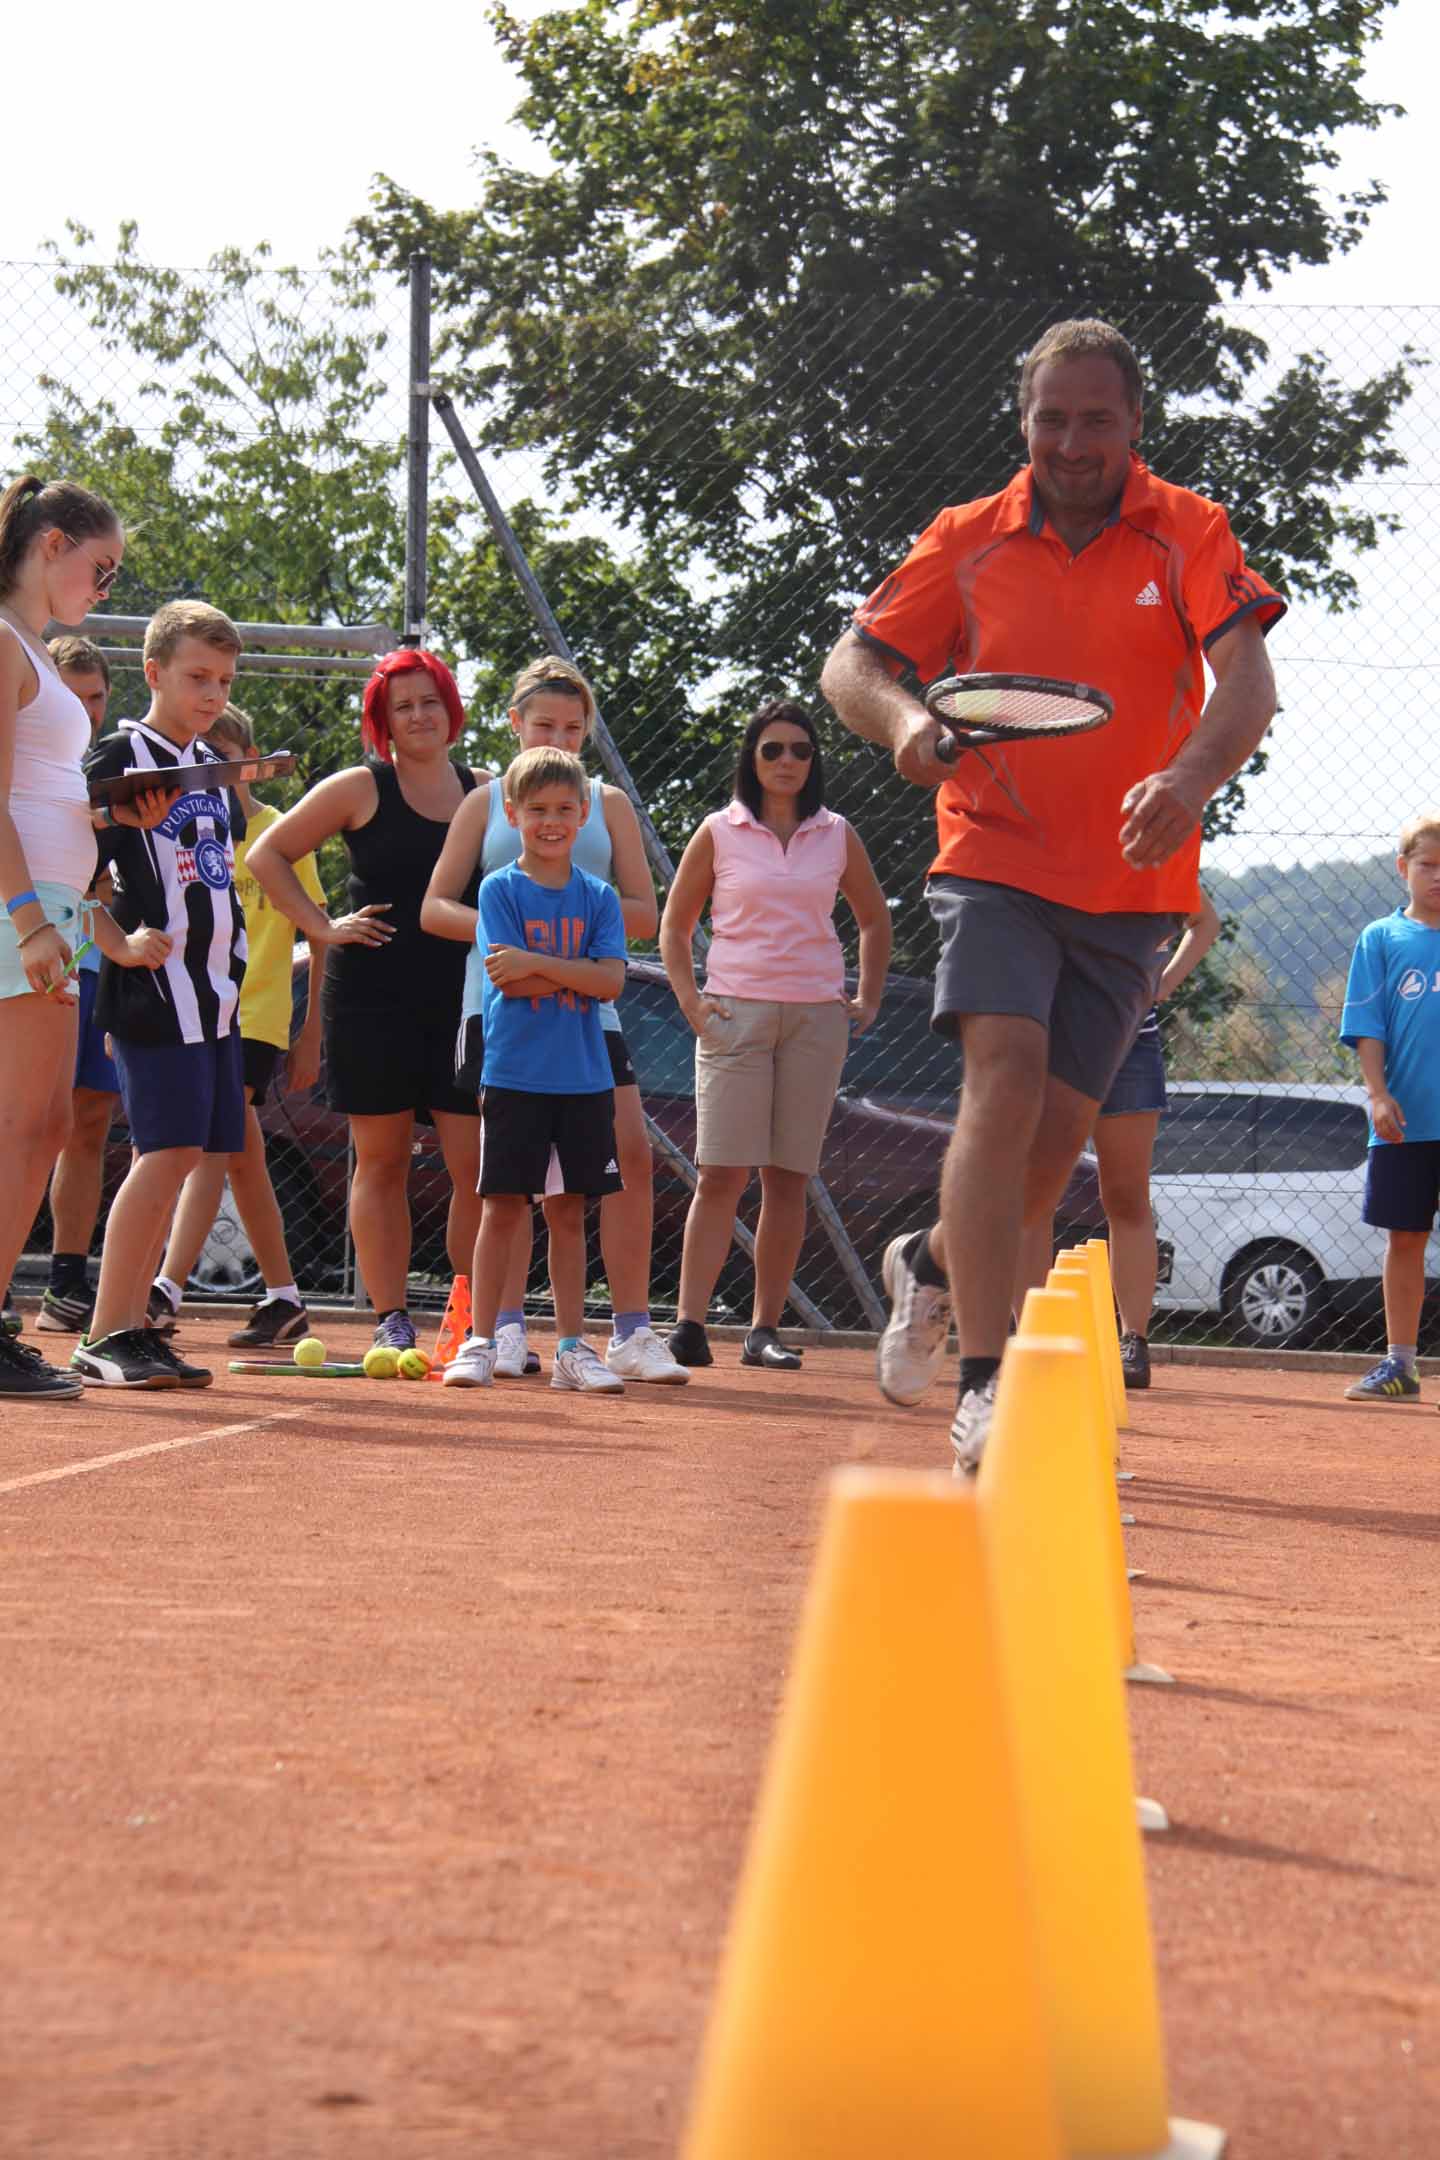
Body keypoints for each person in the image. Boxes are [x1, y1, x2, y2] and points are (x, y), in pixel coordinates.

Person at [819, 317, 1285, 1470]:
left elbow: (1249, 681)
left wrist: (1187, 780)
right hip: (993, 862)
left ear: (1135, 425)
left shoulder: (1189, 531)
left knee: (1047, 1158)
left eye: (1097, 421)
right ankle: (986, 1387)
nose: (1073, 443)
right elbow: (852, 664)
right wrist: (908, 724)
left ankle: (931, 1260)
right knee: (1004, 1079)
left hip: (1131, 886)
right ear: (1024, 421)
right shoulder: (966, 537)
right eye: (1052, 419)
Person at [422, 656, 686, 1384]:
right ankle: (503, 1331)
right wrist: (508, 935)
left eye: (573, 727)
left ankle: (628, 1332)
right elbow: (435, 906)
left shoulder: (607, 804)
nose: (559, 738)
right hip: (499, 1012)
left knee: (623, 1157)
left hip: (586, 1016)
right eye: (545, 724)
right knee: (505, 1182)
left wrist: (547, 948)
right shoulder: (486, 802)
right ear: (516, 724)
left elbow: (642, 914)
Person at [247, 649, 482, 1354]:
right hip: (371, 1000)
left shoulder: (488, 792)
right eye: (402, 706)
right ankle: (391, 1318)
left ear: (451, 709)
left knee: (476, 1169)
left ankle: (471, 1323)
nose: (419, 715)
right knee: (381, 1162)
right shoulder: (359, 786)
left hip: (464, 1003)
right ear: (383, 721)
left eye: (430, 701)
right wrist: (320, 928)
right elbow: (266, 855)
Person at [0, 476, 171, 1401]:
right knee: (24, 1124)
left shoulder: (27, 645)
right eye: (100, 568)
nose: (103, 589)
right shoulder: (1, 639)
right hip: (21, 914)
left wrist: (111, 816)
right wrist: (29, 920)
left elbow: (41, 789)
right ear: (53, 543)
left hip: (56, 913)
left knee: (46, 1125)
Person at [657, 698, 891, 1370]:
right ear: (752, 759)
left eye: (800, 750)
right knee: (720, 1174)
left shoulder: (836, 833)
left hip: (816, 1020)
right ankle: (689, 1326)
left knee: (788, 1179)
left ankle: (763, 1331)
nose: (787, 761)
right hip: (735, 1016)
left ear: (813, 762)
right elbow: (675, 926)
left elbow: (873, 918)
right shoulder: (719, 830)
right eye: (773, 749)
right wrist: (691, 1002)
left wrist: (867, 997)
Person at [73, 600, 250, 1390]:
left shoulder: (208, 764)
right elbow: (71, 863)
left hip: (215, 995)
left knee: (185, 1157)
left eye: (224, 681)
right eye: (197, 677)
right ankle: (106, 1331)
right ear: (154, 673)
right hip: (157, 989)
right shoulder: (123, 756)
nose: (212, 694)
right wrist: (115, 943)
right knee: (165, 1153)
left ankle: (136, 1327)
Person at [440, 745, 627, 1393]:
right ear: (513, 815)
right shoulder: (499, 888)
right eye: (538, 809)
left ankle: (572, 1349)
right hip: (514, 1075)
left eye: (565, 810)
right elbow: (507, 980)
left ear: (583, 816)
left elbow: (611, 983)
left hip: (584, 1079)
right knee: (501, 1209)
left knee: (568, 1212)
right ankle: (481, 1340)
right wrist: (576, 972)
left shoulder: (600, 897)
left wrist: (540, 964)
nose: (552, 821)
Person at [148, 702, 325, 1347]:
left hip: (254, 1018)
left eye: (225, 757)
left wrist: (311, 1033)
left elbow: (319, 932)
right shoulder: (191, 827)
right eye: (203, 758)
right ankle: (284, 1299)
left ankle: (164, 1289)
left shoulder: (281, 831)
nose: (214, 769)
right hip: (198, 1009)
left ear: (251, 761)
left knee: (210, 1148)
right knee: (242, 1156)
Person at [1024, 888, 1221, 1390]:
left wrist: (1164, 983)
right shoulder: (1052, 854)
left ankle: (1133, 1340)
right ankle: (1029, 1335)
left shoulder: (1151, 855)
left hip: (1130, 1042)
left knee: (1127, 1195)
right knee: (1035, 1192)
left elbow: (1205, 921)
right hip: (1050, 1036)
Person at [34, 636, 123, 1335]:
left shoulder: (112, 774)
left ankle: (66, 1281)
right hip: (30, 957)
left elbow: (108, 887)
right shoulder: (26, 764)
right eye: (73, 697)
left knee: (85, 1119)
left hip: (97, 963)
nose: (87, 711)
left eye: (96, 698)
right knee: (25, 1120)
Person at [1338, 813, 1440, 1406]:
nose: (1438, 876)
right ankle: (1401, 1365)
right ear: (1404, 868)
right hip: (1407, 1123)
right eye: (1428, 865)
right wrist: (1377, 1094)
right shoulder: (1381, 938)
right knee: (1406, 1239)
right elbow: (1368, 1026)